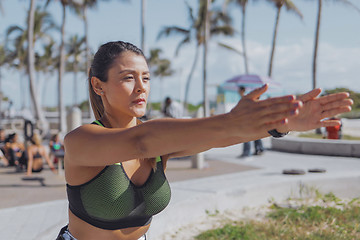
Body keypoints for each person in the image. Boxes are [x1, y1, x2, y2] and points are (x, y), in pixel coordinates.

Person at [57, 41, 353, 240]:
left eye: (146, 78)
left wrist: (280, 125)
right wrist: (230, 119)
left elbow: (221, 137)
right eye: (127, 78)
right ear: (99, 85)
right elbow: (140, 141)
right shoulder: (81, 141)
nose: (141, 87)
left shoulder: (160, 144)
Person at [237, 86, 265, 157]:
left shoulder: (246, 98)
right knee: (256, 136)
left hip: (250, 120)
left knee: (247, 137)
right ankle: (260, 149)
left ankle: (247, 152)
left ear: (242, 90)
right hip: (253, 120)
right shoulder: (246, 98)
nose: (238, 91)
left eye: (239, 90)